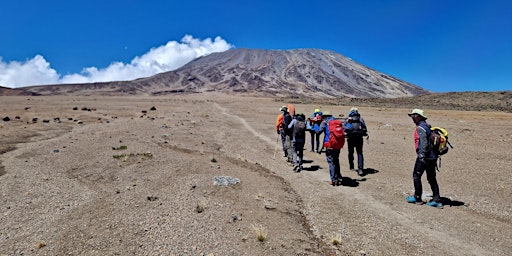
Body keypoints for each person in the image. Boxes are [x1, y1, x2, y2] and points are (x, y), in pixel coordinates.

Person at [406, 109, 443, 208]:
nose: (412, 118)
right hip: (432, 157)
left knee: (416, 176)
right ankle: (437, 200)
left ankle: (417, 198)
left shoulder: (421, 128)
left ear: (418, 116)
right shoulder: (427, 126)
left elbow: (424, 142)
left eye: (413, 116)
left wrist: (421, 155)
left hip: (425, 157)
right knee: (431, 178)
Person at [317, 113, 345, 186]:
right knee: (336, 160)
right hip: (338, 145)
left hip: (329, 145)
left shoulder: (325, 123)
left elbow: (318, 132)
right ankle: (339, 177)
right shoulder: (337, 122)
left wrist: (316, 125)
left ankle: (333, 180)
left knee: (331, 162)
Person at [343, 107, 367, 176]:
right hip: (359, 138)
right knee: (359, 153)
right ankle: (360, 169)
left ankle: (351, 166)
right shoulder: (360, 118)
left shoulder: (347, 119)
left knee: (351, 152)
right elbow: (364, 128)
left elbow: (344, 128)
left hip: (350, 138)